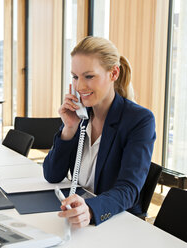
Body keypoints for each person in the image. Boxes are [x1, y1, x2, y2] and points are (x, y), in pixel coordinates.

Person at [43, 36, 156, 227]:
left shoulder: (139, 120)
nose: (79, 86)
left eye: (89, 76)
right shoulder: (81, 114)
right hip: (79, 214)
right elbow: (52, 175)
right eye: (75, 76)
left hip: (116, 221)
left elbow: (128, 189)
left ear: (113, 74)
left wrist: (90, 209)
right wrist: (69, 129)